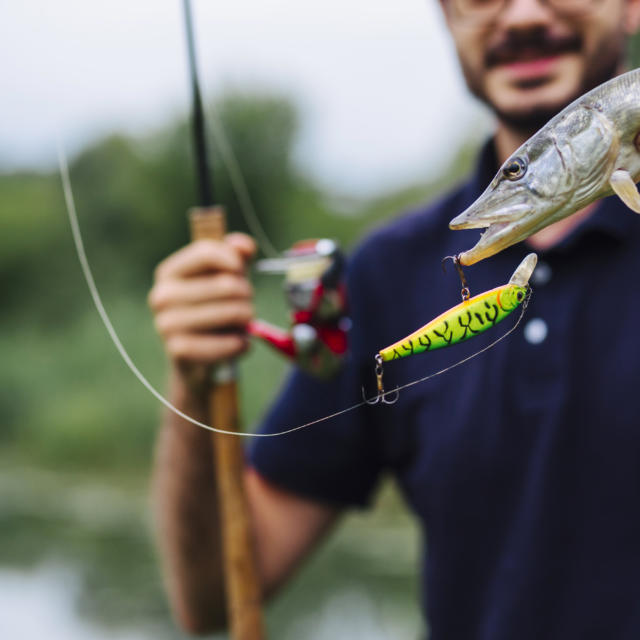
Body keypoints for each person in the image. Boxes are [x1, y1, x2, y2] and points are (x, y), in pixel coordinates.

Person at [149, 0, 640, 636]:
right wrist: (193, 379)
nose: (521, 13)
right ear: (444, 14)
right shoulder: (386, 272)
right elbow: (215, 598)